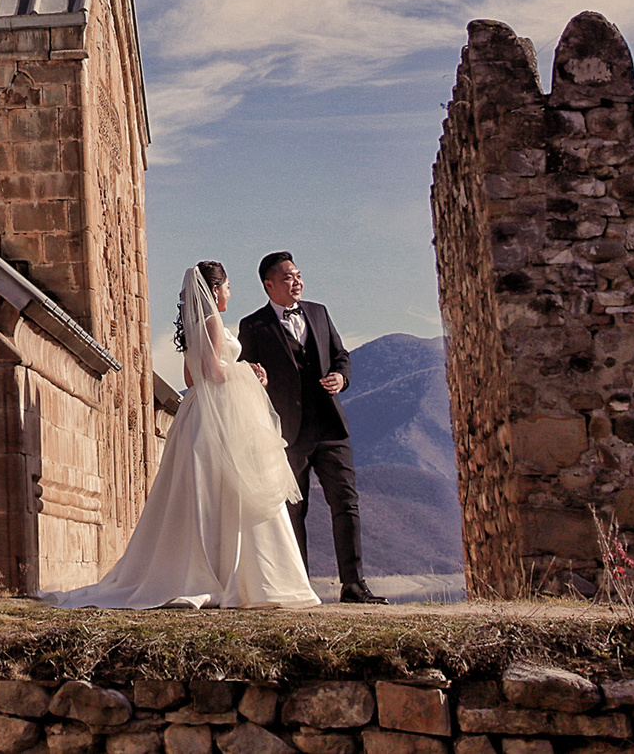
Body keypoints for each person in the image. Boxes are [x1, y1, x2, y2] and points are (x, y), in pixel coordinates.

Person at [42, 262, 319, 610]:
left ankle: (203, 568)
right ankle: (243, 576)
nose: (230, 294)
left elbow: (190, 379)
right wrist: (248, 370)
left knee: (202, 492)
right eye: (228, 287)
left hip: (197, 414)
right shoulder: (214, 322)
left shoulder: (191, 327)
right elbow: (215, 373)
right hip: (220, 413)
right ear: (216, 290)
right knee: (232, 489)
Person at [235, 251, 382, 604]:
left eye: (298, 275)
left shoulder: (319, 312)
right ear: (269, 285)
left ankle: (354, 584)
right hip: (287, 433)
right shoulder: (252, 325)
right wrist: (254, 374)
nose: (296, 282)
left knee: (346, 503)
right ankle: (298, 585)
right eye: (288, 277)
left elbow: (341, 355)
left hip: (330, 427)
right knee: (292, 510)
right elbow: (241, 371)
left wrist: (341, 378)